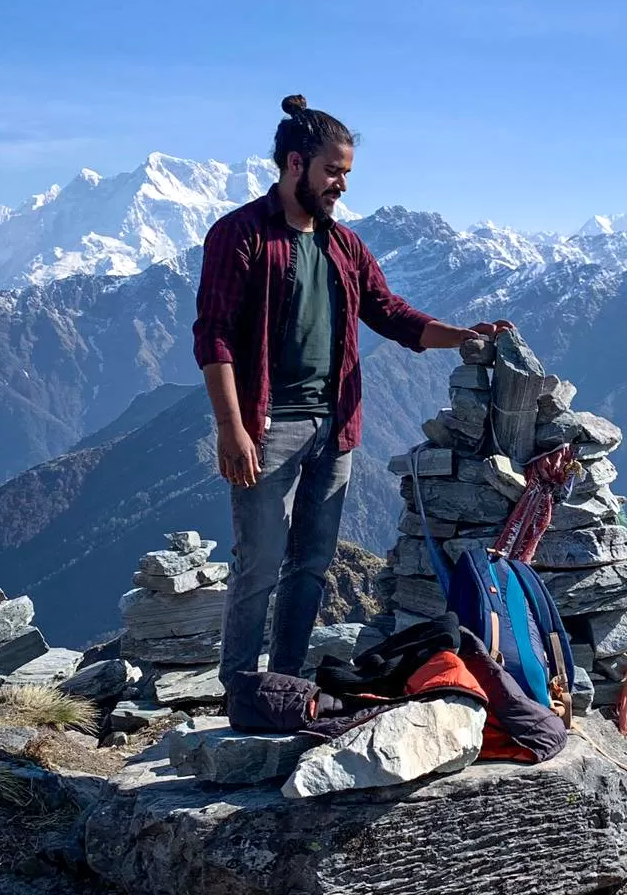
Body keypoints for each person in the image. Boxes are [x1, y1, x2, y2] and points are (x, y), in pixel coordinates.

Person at [193, 94, 511, 691]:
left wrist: (463, 336)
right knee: (259, 564)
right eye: (332, 170)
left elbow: (390, 312)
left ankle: (283, 685)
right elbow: (213, 337)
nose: (341, 184)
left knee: (310, 566)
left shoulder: (344, 247)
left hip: (335, 426)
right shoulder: (240, 236)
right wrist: (230, 427)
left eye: (346, 173)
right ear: (294, 164)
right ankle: (240, 689)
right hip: (268, 426)